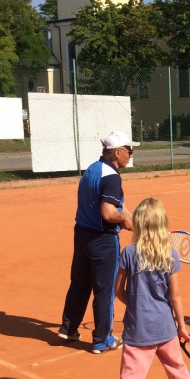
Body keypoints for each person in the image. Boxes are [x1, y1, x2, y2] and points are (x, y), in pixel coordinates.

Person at [85, 198, 190, 379]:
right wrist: (181, 327)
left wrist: (135, 303)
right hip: (166, 329)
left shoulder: (129, 253)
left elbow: (118, 291)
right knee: (179, 372)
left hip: (138, 333)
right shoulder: (170, 255)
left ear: (138, 224)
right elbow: (176, 297)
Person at [58, 131, 139, 354]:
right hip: (102, 241)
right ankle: (103, 340)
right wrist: (124, 221)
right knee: (105, 291)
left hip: (82, 235)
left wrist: (133, 217)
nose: (131, 155)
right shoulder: (112, 177)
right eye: (129, 150)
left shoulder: (93, 169)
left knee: (79, 284)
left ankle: (68, 328)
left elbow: (115, 205)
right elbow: (108, 213)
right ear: (118, 152)